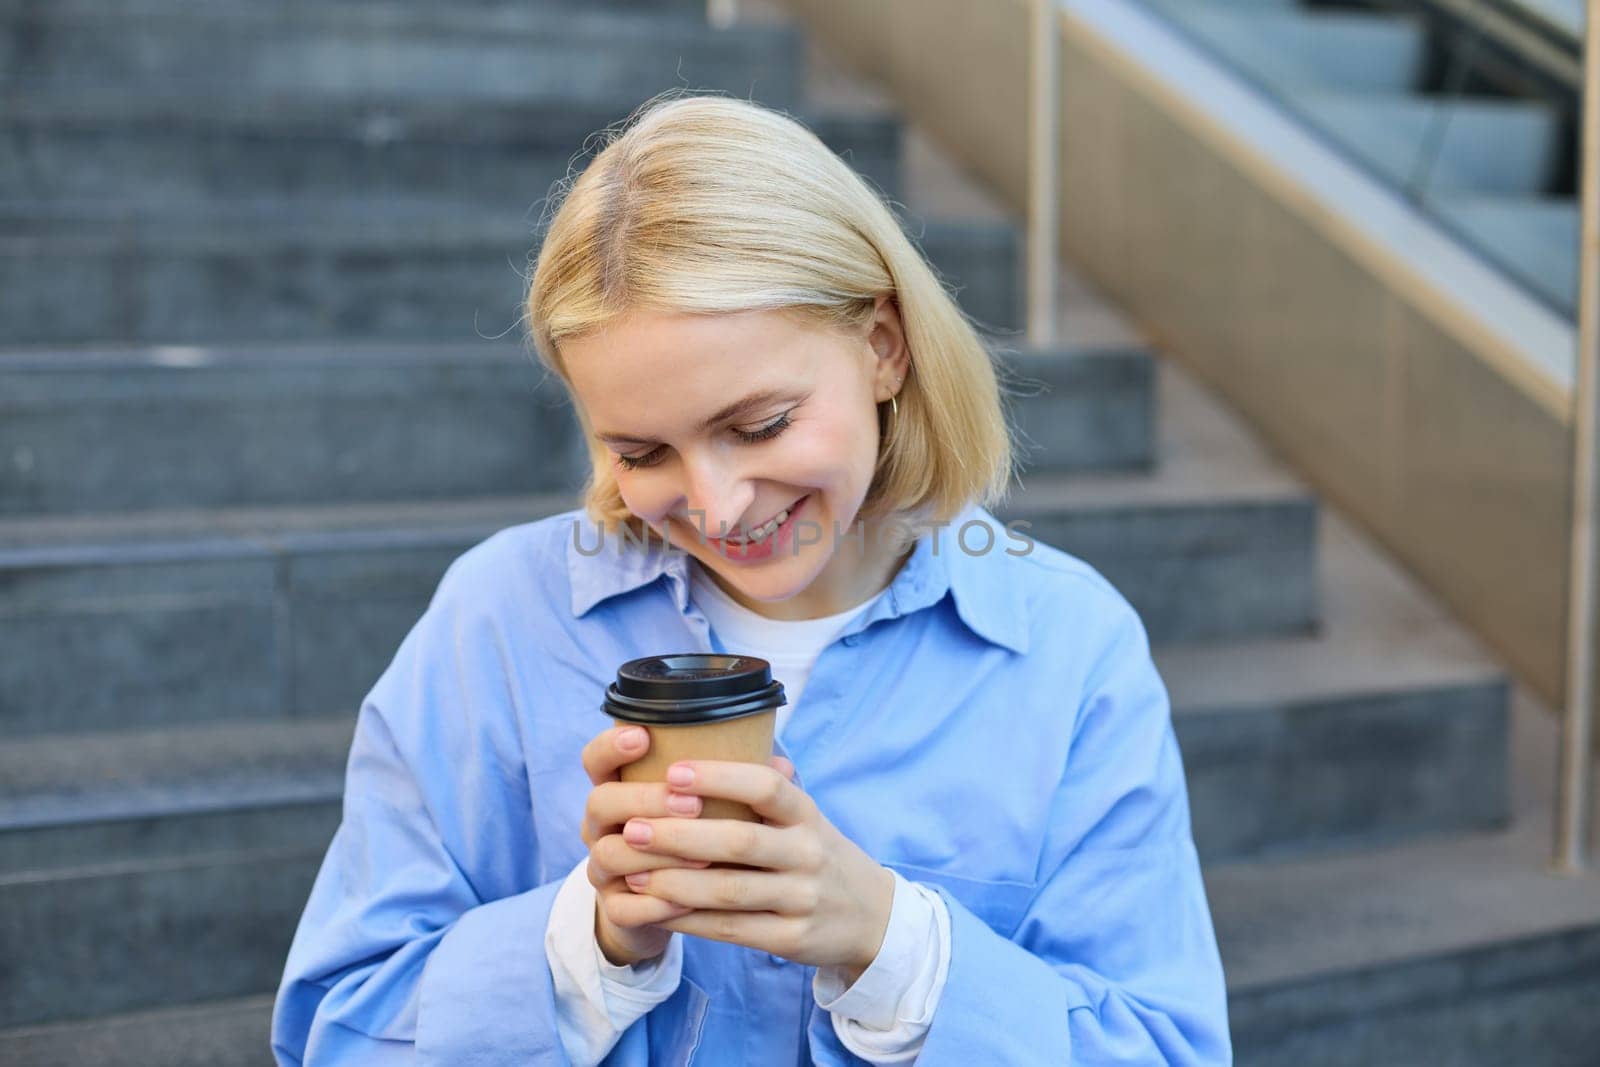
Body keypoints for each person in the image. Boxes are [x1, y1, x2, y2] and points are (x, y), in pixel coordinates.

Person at [271, 92, 1230, 1065]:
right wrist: (587, 939)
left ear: (883, 349)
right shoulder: (501, 619)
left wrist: (894, 943)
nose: (719, 506)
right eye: (641, 451)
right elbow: (335, 1028)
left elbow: (1166, 1045)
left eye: (760, 423)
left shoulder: (1067, 645)